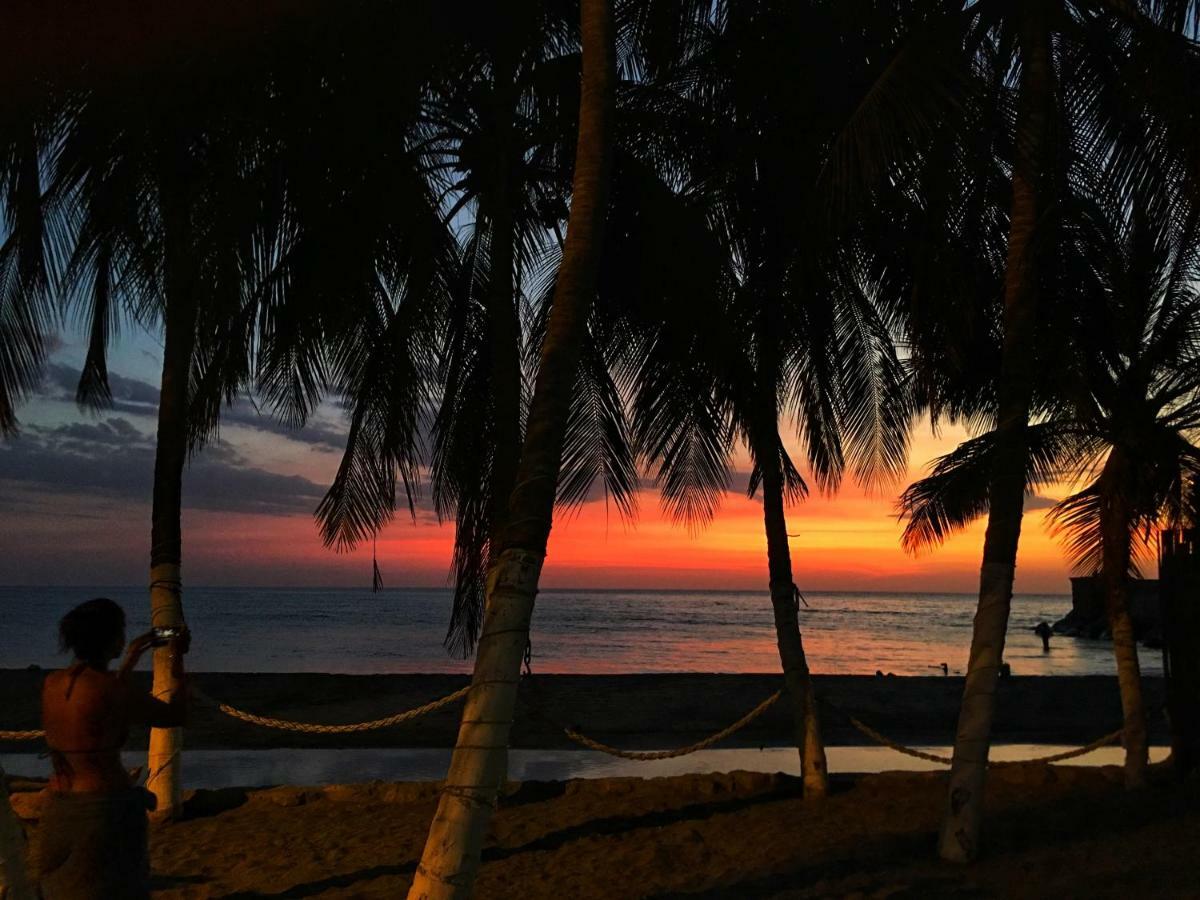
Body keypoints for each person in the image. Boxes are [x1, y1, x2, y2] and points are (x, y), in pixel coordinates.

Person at [29, 598, 189, 900]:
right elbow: (174, 716)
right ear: (111, 638)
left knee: (60, 888)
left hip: (59, 804)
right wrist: (177, 661)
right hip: (104, 807)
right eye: (122, 631)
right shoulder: (112, 689)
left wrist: (129, 662)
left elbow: (97, 709)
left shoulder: (53, 683)